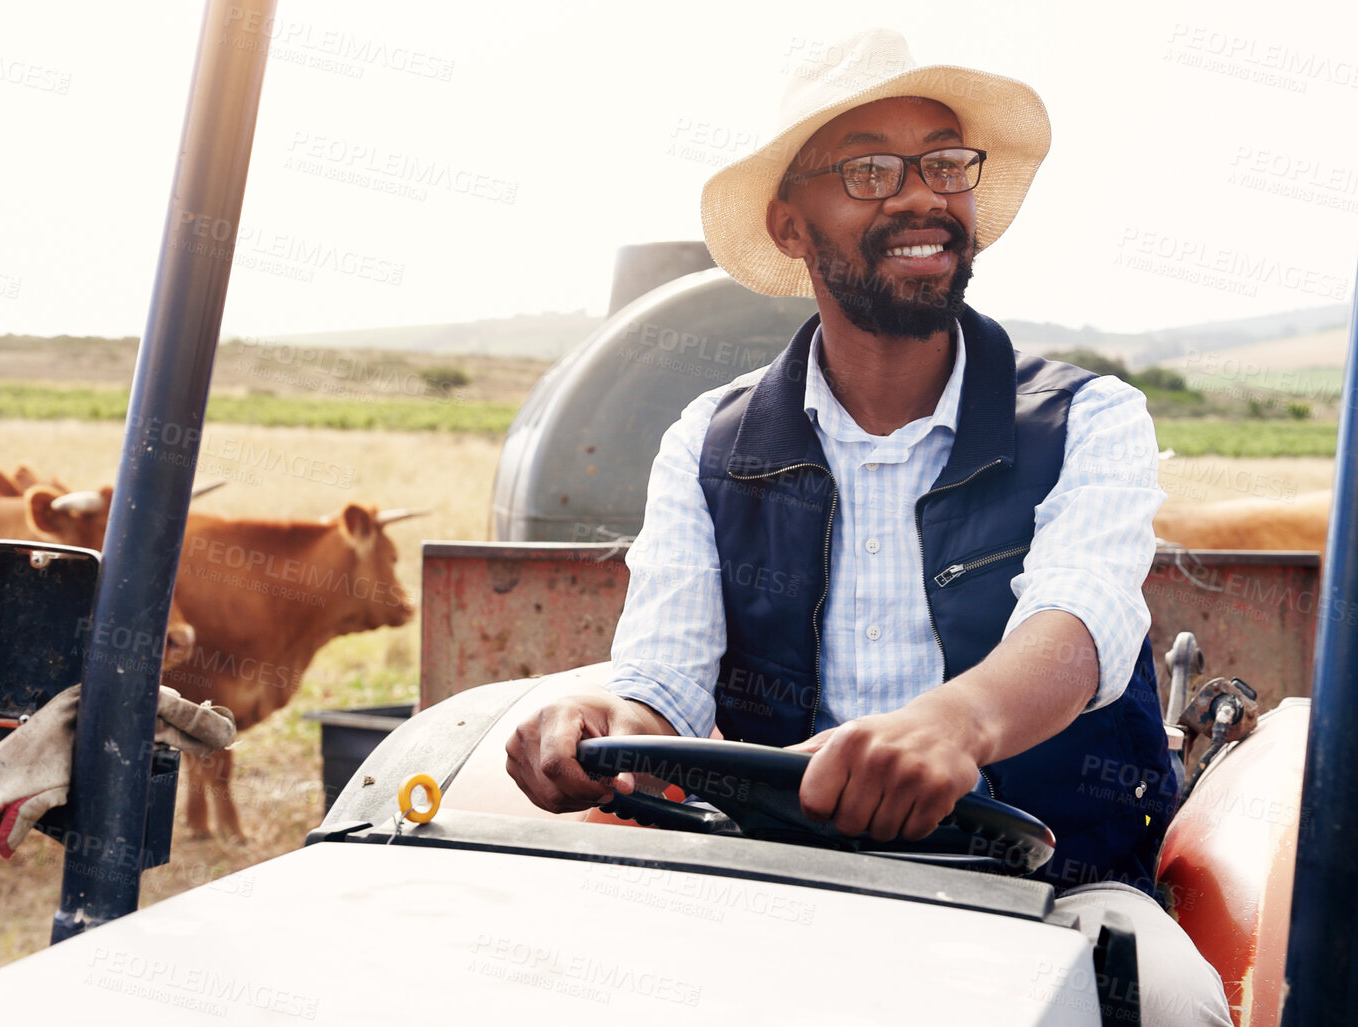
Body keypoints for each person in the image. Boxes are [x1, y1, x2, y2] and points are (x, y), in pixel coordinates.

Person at [507, 28, 1232, 1025]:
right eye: (869, 169)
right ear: (792, 225)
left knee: (1173, 1004)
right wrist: (614, 727)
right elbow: (664, 679)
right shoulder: (708, 443)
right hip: (788, 876)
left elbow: (1080, 622)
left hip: (1057, 884)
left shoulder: (1088, 418)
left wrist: (957, 724)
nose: (921, 194)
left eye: (943, 162)